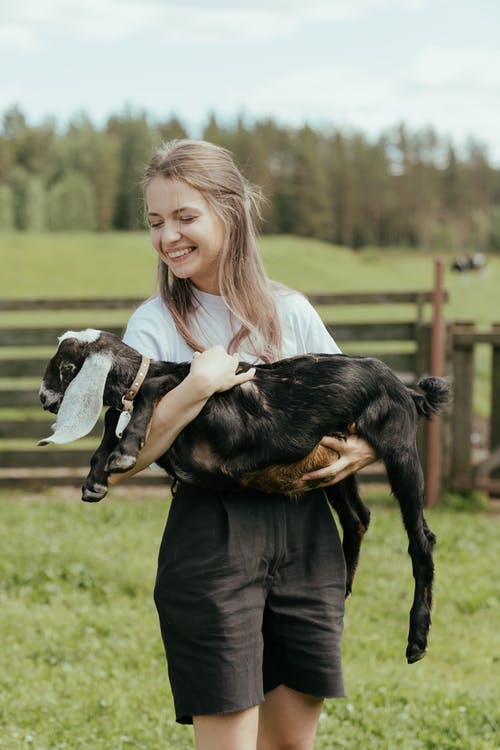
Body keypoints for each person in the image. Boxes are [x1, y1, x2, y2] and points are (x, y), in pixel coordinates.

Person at [114, 139, 376, 750]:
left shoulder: (292, 313)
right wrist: (194, 388)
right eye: (155, 222)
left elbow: (359, 407)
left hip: (307, 533)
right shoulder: (152, 326)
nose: (167, 237)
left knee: (289, 743)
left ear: (230, 213)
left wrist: (367, 451)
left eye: (185, 217)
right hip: (212, 536)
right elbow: (125, 461)